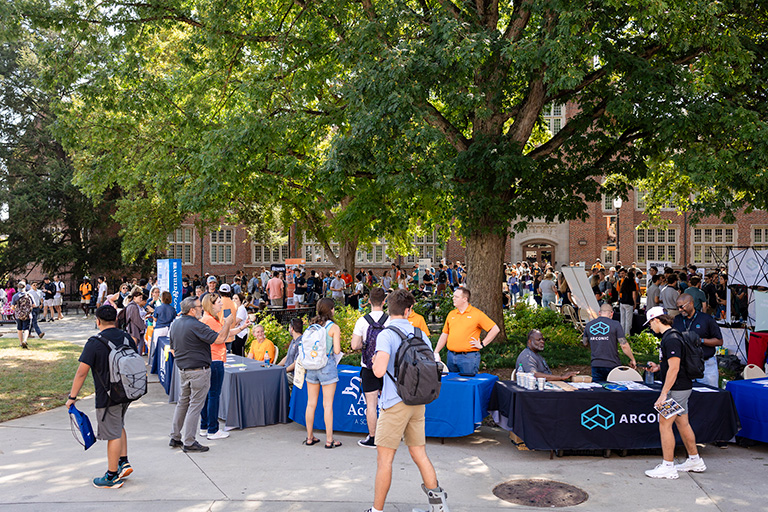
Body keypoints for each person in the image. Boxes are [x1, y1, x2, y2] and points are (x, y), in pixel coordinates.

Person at [364, 288, 449, 512]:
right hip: (417, 402)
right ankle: (439, 507)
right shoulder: (420, 335)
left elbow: (379, 371)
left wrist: (374, 360)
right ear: (409, 310)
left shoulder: (386, 334)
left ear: (388, 308)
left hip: (394, 403)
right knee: (419, 453)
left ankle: (376, 510)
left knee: (384, 461)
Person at [65, 306, 138, 488]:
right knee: (118, 425)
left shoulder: (95, 342)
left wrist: (72, 397)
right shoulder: (127, 337)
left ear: (97, 321)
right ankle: (123, 461)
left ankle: (111, 476)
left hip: (108, 395)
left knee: (112, 433)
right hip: (127, 391)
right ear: (115, 319)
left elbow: (81, 373)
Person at [644, 306, 706, 479]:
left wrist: (664, 393)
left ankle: (668, 466)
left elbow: (675, 368)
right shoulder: (674, 335)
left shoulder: (670, 339)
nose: (650, 327)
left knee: (664, 424)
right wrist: (658, 368)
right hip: (682, 387)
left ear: (656, 320)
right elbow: (672, 365)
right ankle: (695, 460)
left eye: (650, 323)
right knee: (682, 423)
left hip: (676, 389)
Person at [169, 296, 233, 452]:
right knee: (195, 406)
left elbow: (172, 348)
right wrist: (228, 323)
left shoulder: (175, 324)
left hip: (184, 370)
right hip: (198, 371)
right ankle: (189, 441)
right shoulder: (196, 325)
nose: (201, 309)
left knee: (183, 403)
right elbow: (220, 338)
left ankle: (175, 436)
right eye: (199, 307)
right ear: (192, 310)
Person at [350, 287, 389, 449]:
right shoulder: (390, 320)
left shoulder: (362, 321)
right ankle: (390, 436)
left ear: (369, 301)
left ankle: (373, 438)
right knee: (390, 404)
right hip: (387, 367)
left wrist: (364, 345)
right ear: (384, 301)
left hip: (369, 367)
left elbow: (354, 345)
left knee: (371, 405)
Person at [303, 297, 342, 449]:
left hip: (311, 366)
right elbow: (337, 350)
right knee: (328, 405)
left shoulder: (312, 325)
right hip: (327, 366)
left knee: (311, 403)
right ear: (331, 310)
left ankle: (309, 437)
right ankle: (329, 440)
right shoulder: (334, 328)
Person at [433, 287, 500, 375]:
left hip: (469, 357)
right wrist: (436, 352)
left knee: (468, 384)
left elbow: (495, 329)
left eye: (456, 297)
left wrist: (482, 344)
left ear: (465, 299)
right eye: (453, 296)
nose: (453, 298)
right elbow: (445, 334)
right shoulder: (451, 314)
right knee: (452, 384)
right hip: (451, 356)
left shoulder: (477, 314)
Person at [198, 293, 231, 441]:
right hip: (215, 359)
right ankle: (213, 429)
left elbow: (223, 335)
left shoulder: (208, 319)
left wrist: (239, 327)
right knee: (213, 395)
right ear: (211, 305)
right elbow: (220, 338)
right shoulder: (209, 320)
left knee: (207, 395)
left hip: (211, 359)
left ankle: (205, 427)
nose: (221, 304)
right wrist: (229, 322)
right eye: (218, 302)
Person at [673, 294, 723, 388]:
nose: (680, 310)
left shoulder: (706, 319)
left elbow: (719, 341)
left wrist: (701, 340)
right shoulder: (677, 319)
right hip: (685, 364)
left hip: (706, 364)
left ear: (691, 303)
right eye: (678, 307)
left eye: (681, 307)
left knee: (709, 395)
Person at [583, 304, 636, 381]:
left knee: (598, 390)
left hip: (596, 364)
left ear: (599, 313)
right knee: (614, 390)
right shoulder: (616, 324)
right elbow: (624, 345)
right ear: (611, 313)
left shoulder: (589, 325)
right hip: (612, 364)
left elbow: (585, 343)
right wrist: (632, 359)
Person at [277, 317, 304, 387]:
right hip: (287, 371)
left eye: (289, 328)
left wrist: (283, 371)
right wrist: (276, 367)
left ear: (292, 329)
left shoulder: (301, 343)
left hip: (293, 374)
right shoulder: (294, 340)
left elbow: (296, 363)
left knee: (274, 379)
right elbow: (287, 357)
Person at [124, 289, 148, 355]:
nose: (141, 299)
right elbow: (136, 319)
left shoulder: (132, 305)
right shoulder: (133, 306)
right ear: (134, 297)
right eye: (140, 297)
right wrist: (142, 327)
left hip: (133, 327)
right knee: (134, 345)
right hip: (133, 328)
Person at [618, 269, 639, 336]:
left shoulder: (624, 282)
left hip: (622, 302)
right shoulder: (632, 283)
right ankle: (627, 335)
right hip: (629, 303)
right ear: (633, 277)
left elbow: (620, 292)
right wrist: (635, 303)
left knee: (622, 320)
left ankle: (621, 334)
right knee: (628, 321)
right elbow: (634, 295)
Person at [11, 282, 31, 349]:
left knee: (19, 328)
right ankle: (25, 340)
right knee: (26, 328)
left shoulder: (15, 296)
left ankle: (20, 342)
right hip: (27, 314)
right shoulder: (28, 295)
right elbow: (33, 305)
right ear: (25, 287)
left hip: (18, 314)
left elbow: (12, 306)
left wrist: (16, 309)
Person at [231, 292, 251, 356]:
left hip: (241, 334)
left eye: (236, 299)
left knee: (238, 352)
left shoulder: (241, 309)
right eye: (233, 298)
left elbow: (235, 322)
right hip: (235, 332)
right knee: (234, 351)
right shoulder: (235, 309)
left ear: (240, 301)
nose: (233, 300)